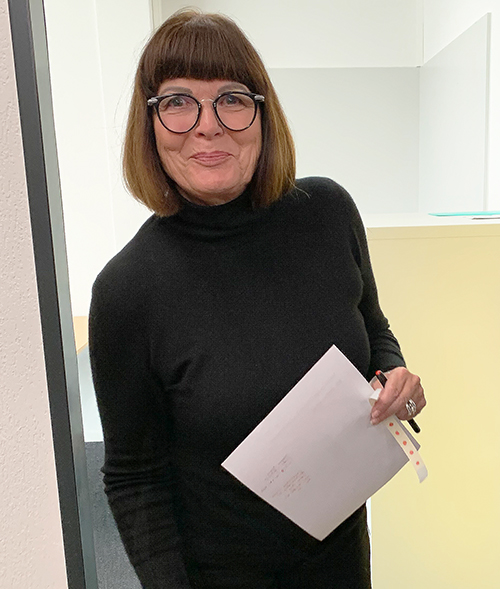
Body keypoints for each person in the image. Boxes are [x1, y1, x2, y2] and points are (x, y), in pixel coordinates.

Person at [89, 9, 426, 589]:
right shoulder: (128, 290)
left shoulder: (328, 214)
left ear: (262, 114)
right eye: (178, 102)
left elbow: (374, 330)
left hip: (344, 563)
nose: (208, 126)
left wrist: (396, 378)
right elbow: (134, 480)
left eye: (231, 98)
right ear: (149, 124)